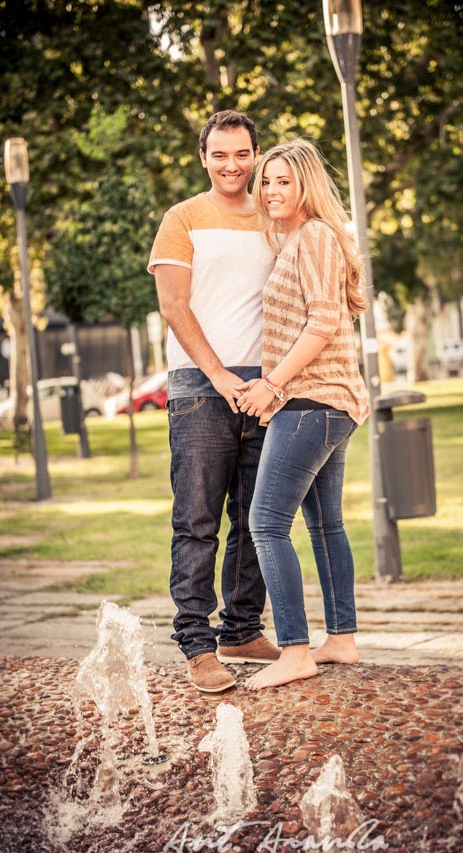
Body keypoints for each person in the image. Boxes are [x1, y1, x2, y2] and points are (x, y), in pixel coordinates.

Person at [147, 110, 281, 694]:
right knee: (198, 521)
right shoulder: (182, 219)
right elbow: (175, 307)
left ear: (256, 155)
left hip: (269, 388)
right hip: (202, 388)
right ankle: (198, 644)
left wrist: (270, 380)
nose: (232, 165)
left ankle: (243, 628)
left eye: (242, 154)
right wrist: (220, 374)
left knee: (258, 519)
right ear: (204, 157)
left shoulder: (279, 216)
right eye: (220, 154)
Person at [236, 139, 370, 691]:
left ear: (306, 185)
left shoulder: (313, 236)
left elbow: (320, 323)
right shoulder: (301, 239)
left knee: (265, 524)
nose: (270, 191)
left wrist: (272, 383)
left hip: (313, 401)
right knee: (325, 523)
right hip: (332, 402)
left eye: (282, 181)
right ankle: (340, 639)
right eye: (265, 181)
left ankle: (294, 650)